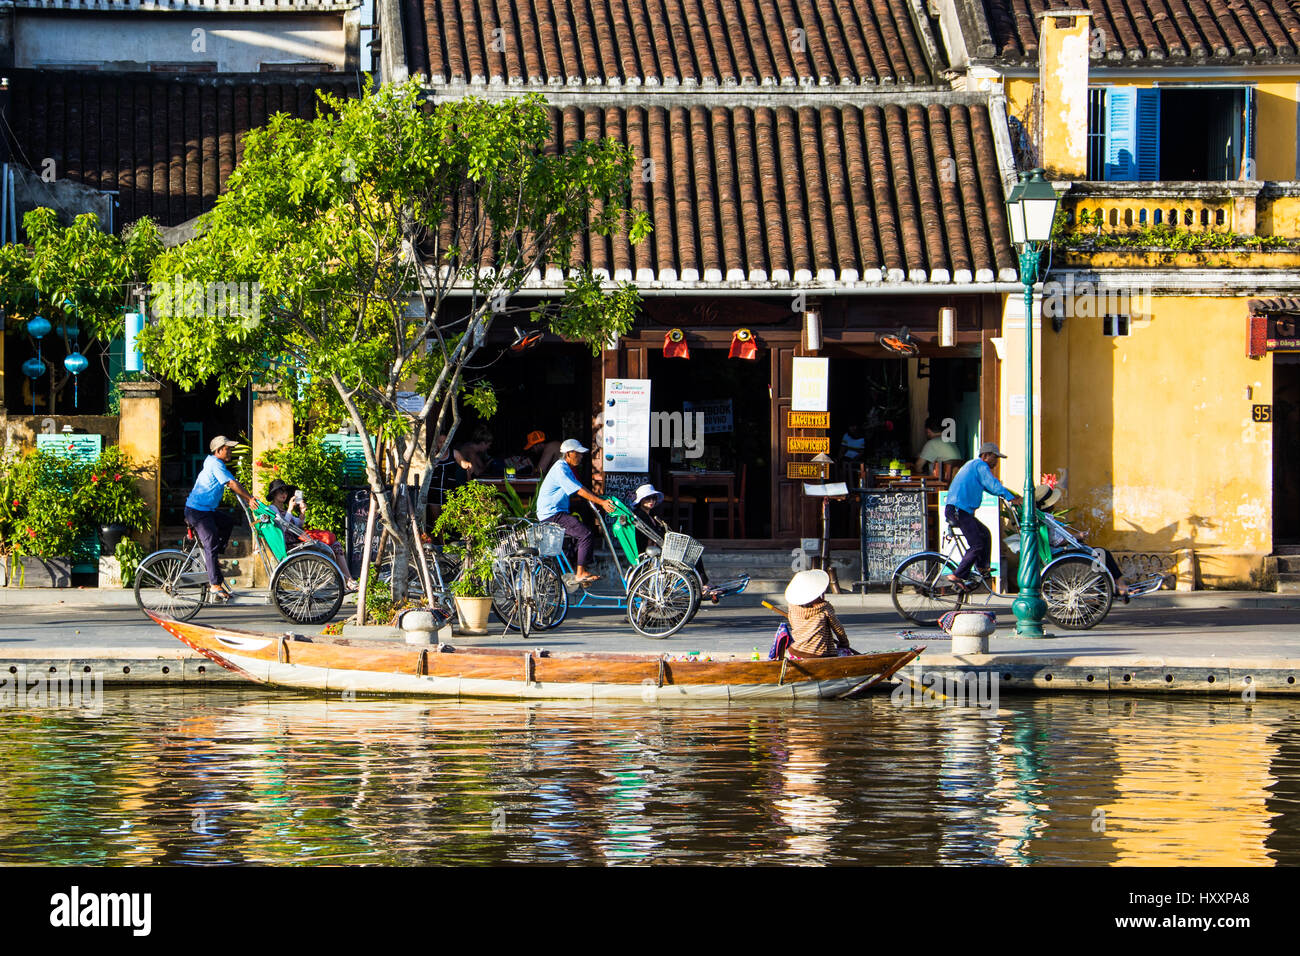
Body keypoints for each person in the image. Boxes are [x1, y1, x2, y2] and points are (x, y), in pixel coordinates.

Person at [184, 435, 259, 603]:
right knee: (210, 542)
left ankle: (213, 557)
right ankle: (215, 584)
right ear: (218, 451)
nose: (230, 451)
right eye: (227, 449)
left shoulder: (216, 464)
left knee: (227, 522)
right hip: (197, 511)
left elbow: (231, 482)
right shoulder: (215, 463)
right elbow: (232, 483)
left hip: (206, 511)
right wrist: (250, 498)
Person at [1032, 483, 1131, 602]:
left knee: (1099, 556)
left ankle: (1105, 588)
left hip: (1058, 550)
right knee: (1103, 553)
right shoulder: (1046, 518)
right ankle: (1120, 586)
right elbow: (1057, 541)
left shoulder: (1042, 517)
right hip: (1060, 551)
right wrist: (1078, 536)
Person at [944, 442, 1022, 589]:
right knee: (977, 544)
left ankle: (981, 567)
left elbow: (989, 487)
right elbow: (992, 484)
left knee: (985, 533)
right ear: (985, 456)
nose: (996, 462)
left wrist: (1009, 495)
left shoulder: (974, 467)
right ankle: (957, 574)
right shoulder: (980, 465)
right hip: (958, 509)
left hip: (961, 510)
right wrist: (1012, 498)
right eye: (994, 458)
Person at [536, 438, 615, 585]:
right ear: (569, 454)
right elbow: (578, 490)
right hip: (552, 514)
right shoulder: (560, 469)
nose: (581, 457)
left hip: (556, 512)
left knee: (579, 534)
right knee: (585, 534)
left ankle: (577, 569)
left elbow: (581, 487)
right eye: (578, 454)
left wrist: (598, 499)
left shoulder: (566, 468)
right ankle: (580, 573)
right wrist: (601, 503)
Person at [265, 478, 357, 590]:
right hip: (289, 545)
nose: (284, 494)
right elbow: (282, 527)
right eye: (280, 491)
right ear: (274, 494)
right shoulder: (272, 508)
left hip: (296, 541)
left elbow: (298, 524)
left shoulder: (282, 508)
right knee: (332, 547)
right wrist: (289, 509)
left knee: (335, 545)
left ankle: (348, 579)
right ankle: (348, 580)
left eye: (285, 491)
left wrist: (302, 513)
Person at [632, 483, 713, 593]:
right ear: (641, 500)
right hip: (653, 550)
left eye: (653, 498)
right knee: (692, 554)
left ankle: (701, 583)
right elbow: (654, 535)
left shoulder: (650, 516)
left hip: (658, 547)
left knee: (693, 551)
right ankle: (703, 584)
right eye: (648, 498)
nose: (651, 501)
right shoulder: (641, 516)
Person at [783, 569, 856, 659]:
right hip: (818, 653)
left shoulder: (792, 607)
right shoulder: (825, 608)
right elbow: (838, 629)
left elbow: (793, 624)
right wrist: (844, 644)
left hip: (795, 651)